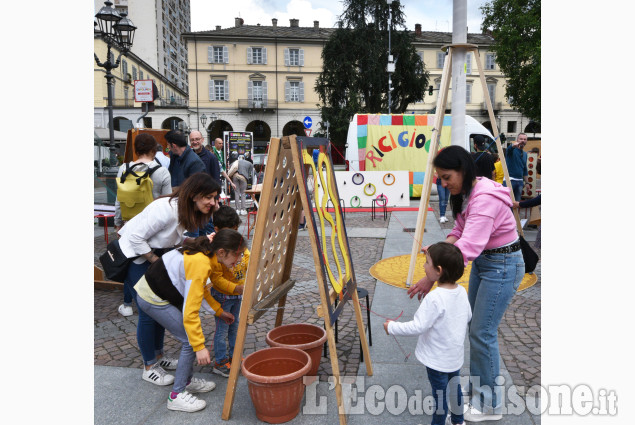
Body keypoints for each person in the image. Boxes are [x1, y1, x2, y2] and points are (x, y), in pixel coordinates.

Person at [407, 146, 524, 422]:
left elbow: (467, 248)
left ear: (464, 169)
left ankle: (490, 405)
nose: (444, 184)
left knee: (483, 333)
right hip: (488, 263)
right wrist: (438, 249)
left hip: (503, 265)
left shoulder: (484, 199)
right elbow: (459, 232)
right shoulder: (469, 191)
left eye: (447, 177)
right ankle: (479, 391)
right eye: (440, 178)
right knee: (474, 328)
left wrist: (429, 277)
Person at [118, 173, 222, 387]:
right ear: (194, 195)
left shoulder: (185, 209)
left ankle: (159, 356)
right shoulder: (165, 209)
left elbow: (172, 237)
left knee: (160, 311)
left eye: (215, 197)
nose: (213, 202)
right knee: (149, 311)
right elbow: (136, 237)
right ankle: (149, 366)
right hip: (135, 258)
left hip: (152, 256)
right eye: (209, 197)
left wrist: (194, 240)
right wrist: (155, 261)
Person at [133, 229, 243, 412]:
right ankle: (176, 395)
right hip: (151, 298)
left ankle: (187, 381)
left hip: (156, 293)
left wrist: (219, 310)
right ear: (222, 252)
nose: (238, 260)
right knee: (190, 342)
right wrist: (199, 346)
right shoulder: (201, 263)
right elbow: (190, 311)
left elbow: (205, 288)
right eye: (237, 255)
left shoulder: (211, 257)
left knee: (191, 339)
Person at [384, 242, 471, 425]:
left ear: (438, 270)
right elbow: (468, 316)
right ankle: (458, 421)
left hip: (437, 360)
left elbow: (417, 326)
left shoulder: (434, 298)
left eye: (427, 262)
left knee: (439, 397)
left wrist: (392, 327)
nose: (424, 266)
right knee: (455, 390)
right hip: (454, 357)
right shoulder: (462, 292)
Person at [114, 133, 172, 317]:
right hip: (153, 228)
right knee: (152, 264)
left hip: (129, 225)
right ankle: (154, 301)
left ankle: (128, 304)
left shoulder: (124, 168)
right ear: (154, 150)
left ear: (136, 150)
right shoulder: (161, 171)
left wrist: (118, 224)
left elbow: (118, 200)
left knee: (129, 263)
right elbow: (168, 203)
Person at [208, 206, 249, 377]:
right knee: (222, 329)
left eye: (235, 231)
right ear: (216, 230)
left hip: (238, 294)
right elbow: (216, 278)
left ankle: (235, 355)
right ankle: (220, 361)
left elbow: (247, 257)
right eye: (229, 232)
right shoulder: (216, 252)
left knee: (236, 326)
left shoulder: (237, 244)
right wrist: (235, 287)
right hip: (223, 296)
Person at [504, 133, 529, 201]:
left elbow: (525, 169)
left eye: (525, 139)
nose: (523, 140)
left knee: (516, 204)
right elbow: (509, 150)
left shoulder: (525, 154)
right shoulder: (512, 150)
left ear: (526, 141)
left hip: (520, 181)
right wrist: (512, 145)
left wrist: (527, 183)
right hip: (509, 180)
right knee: (507, 203)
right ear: (517, 140)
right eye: (521, 139)